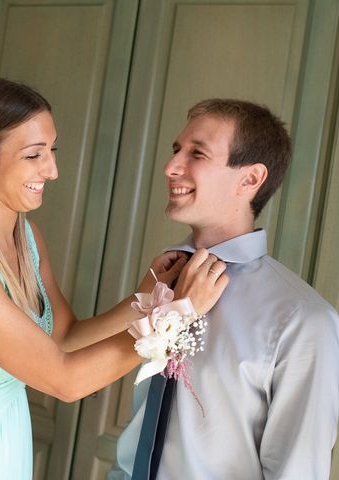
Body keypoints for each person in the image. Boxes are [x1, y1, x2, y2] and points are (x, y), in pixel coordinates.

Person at [0, 78, 228, 479]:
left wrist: (147, 294)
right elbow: (65, 381)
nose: (51, 170)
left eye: (52, 150)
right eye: (34, 155)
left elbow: (64, 338)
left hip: (7, 444)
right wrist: (175, 316)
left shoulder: (27, 238)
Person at [108, 99, 339, 479]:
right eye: (176, 150)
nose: (171, 167)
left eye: (196, 153)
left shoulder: (304, 321)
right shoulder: (162, 282)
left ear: (250, 179)